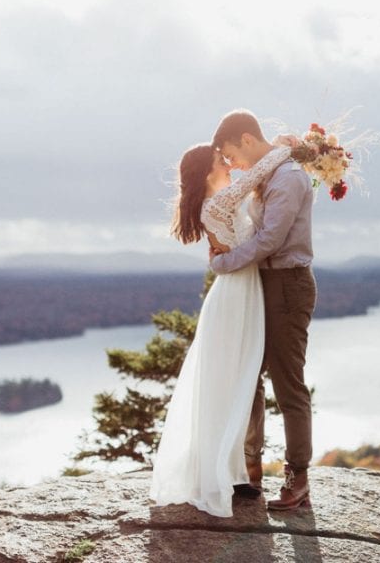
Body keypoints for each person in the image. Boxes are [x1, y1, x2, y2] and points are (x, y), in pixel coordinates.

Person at [149, 138, 292, 517]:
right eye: (221, 160)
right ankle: (222, 473)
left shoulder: (218, 202)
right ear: (207, 171)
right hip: (234, 297)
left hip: (241, 291)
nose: (229, 164)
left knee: (237, 381)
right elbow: (258, 172)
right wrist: (289, 146)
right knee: (232, 380)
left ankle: (229, 471)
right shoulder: (218, 202)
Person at [209, 109, 317, 512]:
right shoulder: (270, 170)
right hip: (264, 284)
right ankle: (248, 471)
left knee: (288, 385)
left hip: (287, 285)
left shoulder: (288, 178)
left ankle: (298, 479)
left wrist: (224, 262)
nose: (232, 164)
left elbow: (271, 239)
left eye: (231, 154)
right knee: (248, 374)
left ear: (247, 140)